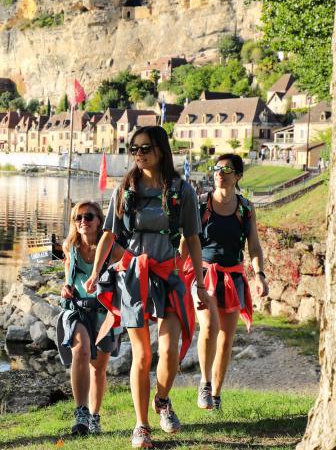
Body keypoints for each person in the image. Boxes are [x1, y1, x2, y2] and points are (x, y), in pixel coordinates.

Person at [85, 126, 208, 449]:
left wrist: (199, 282)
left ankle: (163, 399)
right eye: (133, 149)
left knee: (168, 352)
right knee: (142, 356)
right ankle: (141, 427)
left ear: (161, 150)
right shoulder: (125, 189)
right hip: (134, 278)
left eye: (145, 148)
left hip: (168, 276)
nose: (138, 155)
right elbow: (109, 235)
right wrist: (96, 272)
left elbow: (192, 238)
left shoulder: (182, 190)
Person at [182, 154, 269, 411]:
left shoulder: (246, 208)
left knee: (226, 338)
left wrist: (259, 275)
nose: (220, 172)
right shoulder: (200, 205)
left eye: (227, 169)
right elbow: (187, 242)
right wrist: (175, 270)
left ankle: (216, 395)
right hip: (204, 274)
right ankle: (205, 383)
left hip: (233, 277)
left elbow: (253, 246)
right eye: (217, 168)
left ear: (238, 176)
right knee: (208, 327)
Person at [56, 200, 124, 435]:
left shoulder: (112, 249)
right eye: (78, 218)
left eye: (89, 217)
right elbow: (68, 269)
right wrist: (66, 286)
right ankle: (81, 413)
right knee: (81, 351)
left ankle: (95, 416)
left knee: (98, 368)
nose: (83, 222)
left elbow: (132, 267)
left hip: (105, 313)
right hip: (77, 309)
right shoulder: (70, 246)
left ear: (99, 221)